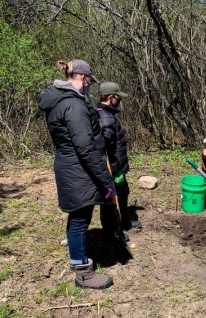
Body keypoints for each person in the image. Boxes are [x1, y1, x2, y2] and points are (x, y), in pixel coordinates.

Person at [38, 59, 115, 289]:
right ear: (81, 78)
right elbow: (85, 146)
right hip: (78, 169)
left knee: (77, 217)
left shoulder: (60, 100)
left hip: (70, 165)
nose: (90, 85)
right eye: (90, 81)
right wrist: (105, 179)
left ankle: (77, 261)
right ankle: (83, 274)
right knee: (80, 219)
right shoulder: (73, 105)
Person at [96, 81, 142, 233]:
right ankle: (113, 230)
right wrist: (113, 170)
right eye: (118, 97)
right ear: (111, 97)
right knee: (110, 199)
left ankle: (123, 223)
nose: (120, 100)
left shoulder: (107, 114)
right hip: (113, 168)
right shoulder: (105, 118)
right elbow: (105, 147)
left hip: (118, 167)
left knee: (123, 193)